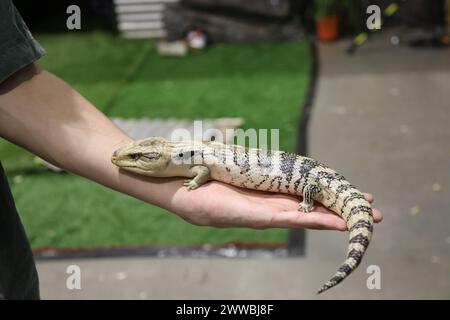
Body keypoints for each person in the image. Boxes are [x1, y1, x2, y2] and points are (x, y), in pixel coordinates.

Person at [0, 1, 382, 299]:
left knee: (333, 198)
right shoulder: (185, 158)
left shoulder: (187, 159)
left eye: (135, 156)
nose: (125, 158)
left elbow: (13, 79)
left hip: (11, 279)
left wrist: (306, 198)